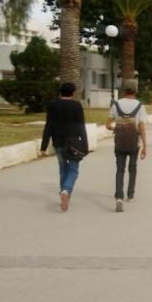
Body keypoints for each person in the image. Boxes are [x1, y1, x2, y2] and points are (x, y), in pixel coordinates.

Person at [40, 82, 88, 213]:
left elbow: (48, 126)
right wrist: (85, 145)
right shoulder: (77, 105)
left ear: (60, 92)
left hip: (58, 143)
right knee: (73, 170)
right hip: (73, 144)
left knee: (63, 169)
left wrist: (43, 146)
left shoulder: (52, 105)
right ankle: (66, 191)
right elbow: (81, 126)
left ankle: (64, 193)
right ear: (73, 93)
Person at [106, 79, 148, 213]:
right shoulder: (140, 106)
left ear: (124, 90)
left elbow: (107, 124)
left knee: (120, 169)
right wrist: (145, 146)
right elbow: (141, 127)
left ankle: (119, 196)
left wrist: (117, 127)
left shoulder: (116, 104)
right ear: (136, 90)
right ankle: (130, 194)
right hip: (134, 142)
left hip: (119, 141)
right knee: (133, 167)